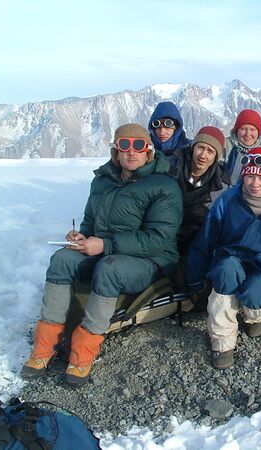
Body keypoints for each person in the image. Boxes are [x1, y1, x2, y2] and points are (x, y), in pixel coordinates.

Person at [21, 124, 183, 386]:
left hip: (151, 260)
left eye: (139, 146)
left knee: (109, 268)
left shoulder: (163, 186)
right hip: (105, 248)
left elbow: (157, 239)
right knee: (62, 260)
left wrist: (104, 245)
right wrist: (82, 236)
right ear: (116, 150)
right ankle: (44, 346)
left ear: (149, 151)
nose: (131, 152)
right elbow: (90, 220)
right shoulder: (102, 180)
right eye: (124, 145)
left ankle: (82, 352)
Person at [186, 147, 261, 369]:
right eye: (250, 176)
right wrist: (194, 278)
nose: (255, 183)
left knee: (255, 292)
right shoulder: (228, 201)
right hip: (233, 259)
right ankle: (222, 341)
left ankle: (255, 316)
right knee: (226, 271)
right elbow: (206, 240)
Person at [173, 126, 230, 260]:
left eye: (210, 151)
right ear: (193, 148)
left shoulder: (221, 186)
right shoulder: (171, 167)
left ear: (216, 157)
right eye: (200, 148)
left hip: (195, 245)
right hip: (165, 235)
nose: (203, 155)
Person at [224, 109, 261, 184]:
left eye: (252, 129)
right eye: (243, 129)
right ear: (237, 130)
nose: (247, 134)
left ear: (258, 132)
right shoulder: (225, 145)